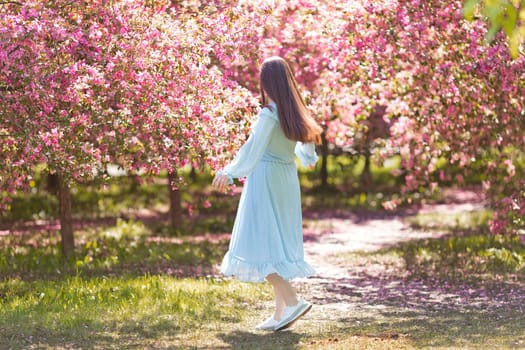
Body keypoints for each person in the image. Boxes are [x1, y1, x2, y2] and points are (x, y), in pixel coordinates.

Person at [212, 56, 323, 331]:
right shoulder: (294, 112)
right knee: (276, 243)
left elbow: (253, 148)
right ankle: (279, 315)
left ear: (266, 82)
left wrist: (230, 171)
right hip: (286, 179)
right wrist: (305, 158)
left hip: (265, 179)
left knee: (260, 242)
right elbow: (306, 152)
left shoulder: (269, 114)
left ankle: (293, 301)